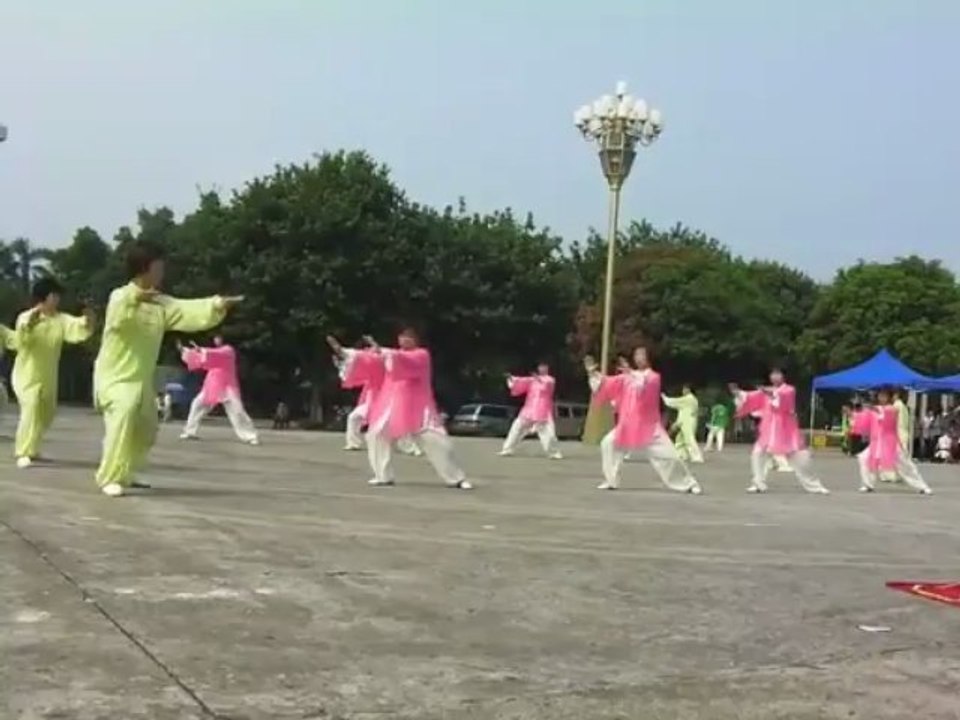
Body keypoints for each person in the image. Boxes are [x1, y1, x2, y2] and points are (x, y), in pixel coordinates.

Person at [93, 241, 243, 497]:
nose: (162, 273)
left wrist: (217, 304)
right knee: (125, 412)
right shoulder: (120, 296)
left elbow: (186, 309)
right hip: (114, 378)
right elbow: (117, 318)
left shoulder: (160, 303)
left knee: (147, 427)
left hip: (140, 380)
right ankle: (109, 476)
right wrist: (135, 298)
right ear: (144, 269)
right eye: (158, 267)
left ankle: (126, 471)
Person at [331, 327, 470, 489]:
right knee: (376, 434)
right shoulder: (392, 356)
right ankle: (382, 475)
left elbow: (400, 359)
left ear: (416, 340)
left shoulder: (421, 355)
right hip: (391, 403)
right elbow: (371, 359)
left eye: (408, 337)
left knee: (436, 441)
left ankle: (456, 478)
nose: (404, 340)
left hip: (417, 405)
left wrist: (381, 350)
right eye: (402, 337)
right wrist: (345, 352)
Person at [585, 347, 701, 494]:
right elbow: (605, 384)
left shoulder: (654, 377)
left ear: (648, 358)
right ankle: (611, 480)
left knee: (670, 457)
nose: (638, 358)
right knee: (607, 443)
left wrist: (630, 372)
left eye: (642, 355)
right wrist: (592, 372)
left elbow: (644, 388)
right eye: (636, 355)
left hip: (649, 427)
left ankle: (689, 483)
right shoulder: (626, 377)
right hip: (627, 425)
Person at [11, 278, 95, 468]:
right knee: (31, 406)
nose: (57, 299)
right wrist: (30, 326)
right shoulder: (26, 316)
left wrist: (88, 316)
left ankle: (33, 448)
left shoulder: (61, 319)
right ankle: (23, 451)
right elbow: (21, 341)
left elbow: (80, 328)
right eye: (54, 295)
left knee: (46, 413)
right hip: (26, 374)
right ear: (43, 297)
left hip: (48, 375)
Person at [730, 368, 830, 494]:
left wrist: (769, 393)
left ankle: (814, 486)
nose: (774, 377)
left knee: (799, 458)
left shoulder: (789, 390)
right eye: (772, 374)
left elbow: (783, 401)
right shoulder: (766, 391)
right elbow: (750, 397)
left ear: (783, 376)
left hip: (785, 429)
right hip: (769, 429)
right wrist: (738, 393)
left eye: (777, 374)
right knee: (758, 454)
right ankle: (758, 483)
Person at [330, 337, 423, 456]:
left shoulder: (381, 358)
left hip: (387, 399)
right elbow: (347, 353)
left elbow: (380, 352)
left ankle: (412, 448)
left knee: (394, 423)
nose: (369, 350)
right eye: (367, 348)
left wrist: (373, 343)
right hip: (372, 399)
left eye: (370, 348)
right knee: (354, 417)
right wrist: (336, 346)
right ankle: (353, 443)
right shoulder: (367, 359)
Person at [178, 335, 259, 445]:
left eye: (219, 337)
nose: (217, 340)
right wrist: (188, 352)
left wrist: (201, 350)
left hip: (227, 385)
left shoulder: (229, 351)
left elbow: (214, 354)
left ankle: (250, 436)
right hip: (212, 384)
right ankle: (189, 431)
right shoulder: (213, 352)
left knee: (237, 410)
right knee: (197, 404)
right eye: (215, 338)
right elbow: (201, 361)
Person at [851, 389, 931, 494]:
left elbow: (887, 417)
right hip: (877, 442)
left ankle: (922, 486)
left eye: (884, 396)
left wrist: (874, 410)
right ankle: (868, 484)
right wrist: (862, 410)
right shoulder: (875, 409)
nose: (882, 398)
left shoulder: (893, 408)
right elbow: (866, 419)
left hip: (890, 442)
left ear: (889, 397)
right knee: (864, 458)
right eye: (880, 396)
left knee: (904, 464)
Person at [499, 362, 563, 459]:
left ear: (547, 368)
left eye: (544, 367)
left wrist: (537, 379)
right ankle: (507, 449)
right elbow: (521, 382)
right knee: (516, 428)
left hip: (543, 409)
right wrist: (512, 378)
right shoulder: (532, 380)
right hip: (529, 408)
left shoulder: (550, 379)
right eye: (541, 367)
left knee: (548, 433)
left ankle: (554, 452)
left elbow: (547, 385)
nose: (542, 369)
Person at [662, 384, 704, 463]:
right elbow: (682, 411)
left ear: (689, 390)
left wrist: (665, 398)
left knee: (689, 439)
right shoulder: (689, 399)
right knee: (680, 439)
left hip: (688, 421)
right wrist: (677, 423)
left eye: (685, 389)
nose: (683, 391)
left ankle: (697, 456)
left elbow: (675, 402)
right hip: (684, 420)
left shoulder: (690, 398)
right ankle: (682, 455)